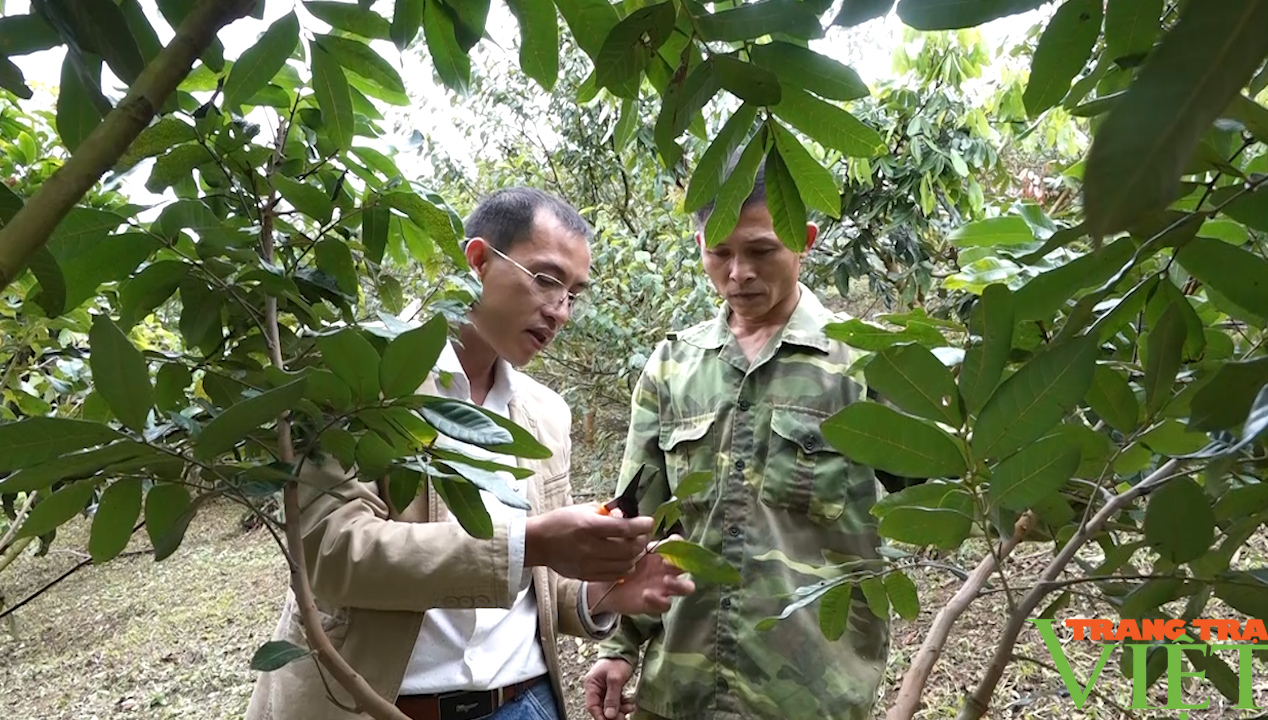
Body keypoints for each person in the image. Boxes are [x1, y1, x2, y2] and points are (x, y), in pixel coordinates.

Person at [246, 187, 694, 720]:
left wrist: (603, 591)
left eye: (574, 293)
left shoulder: (546, 416)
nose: (560, 311)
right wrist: (530, 545)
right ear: (477, 260)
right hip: (374, 702)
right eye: (546, 279)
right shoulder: (356, 380)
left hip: (523, 701)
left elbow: (541, 586)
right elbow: (330, 552)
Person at [584, 159, 890, 720]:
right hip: (680, 691)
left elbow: (947, 490)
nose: (738, 273)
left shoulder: (864, 362)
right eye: (719, 253)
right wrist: (619, 647)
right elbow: (641, 521)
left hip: (810, 696)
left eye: (761, 251)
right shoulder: (673, 366)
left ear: (806, 241)